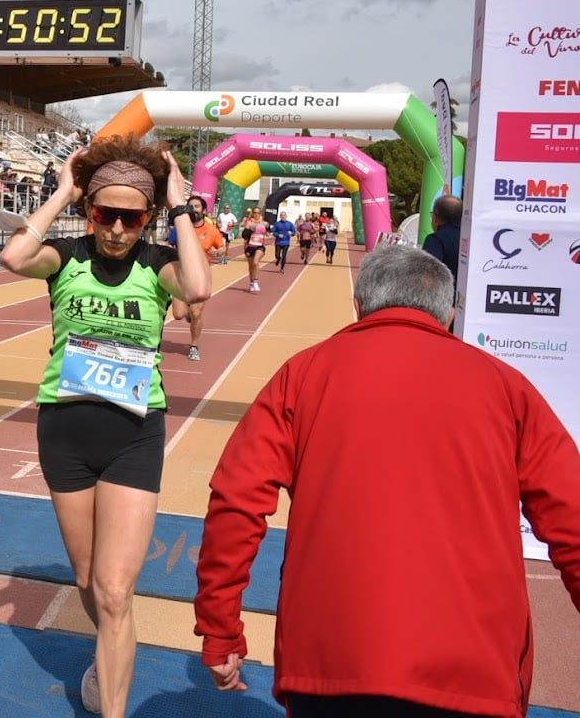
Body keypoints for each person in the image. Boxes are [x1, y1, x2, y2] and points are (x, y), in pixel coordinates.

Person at [195, 245, 580, 718]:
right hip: (475, 669)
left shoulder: (303, 373)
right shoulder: (505, 385)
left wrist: (220, 627)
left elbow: (236, 501)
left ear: (359, 305)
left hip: (331, 661)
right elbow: (571, 514)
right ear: (449, 315)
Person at [0, 134, 210, 717]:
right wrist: (62, 192)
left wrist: (179, 207)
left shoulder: (157, 263)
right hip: (65, 432)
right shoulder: (64, 257)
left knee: (116, 592)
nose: (117, 229)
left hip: (133, 437)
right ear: (89, 211)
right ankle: (111, 645)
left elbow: (198, 289)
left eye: (131, 218)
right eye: (104, 214)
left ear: (148, 218)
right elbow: (13, 258)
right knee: (91, 582)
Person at [170, 195, 224, 362]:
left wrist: (218, 252)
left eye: (197, 206)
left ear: (203, 210)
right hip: (181, 274)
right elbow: (170, 245)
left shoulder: (211, 230)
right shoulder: (180, 228)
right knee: (178, 314)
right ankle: (188, 315)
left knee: (196, 312)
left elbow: (222, 247)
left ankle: (194, 346)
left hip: (200, 276)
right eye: (190, 206)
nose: (193, 209)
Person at [421, 194, 461, 282]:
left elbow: (428, 273)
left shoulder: (435, 240)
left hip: (446, 289)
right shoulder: (470, 238)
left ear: (435, 217)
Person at [242, 207, 268, 292]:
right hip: (250, 246)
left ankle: (256, 281)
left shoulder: (264, 223)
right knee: (251, 266)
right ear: (253, 213)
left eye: (258, 213)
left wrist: (267, 228)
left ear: (261, 214)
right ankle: (251, 283)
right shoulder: (249, 223)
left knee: (255, 262)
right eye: (255, 213)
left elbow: (269, 231)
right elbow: (244, 236)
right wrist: (250, 228)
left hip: (259, 246)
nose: (257, 214)